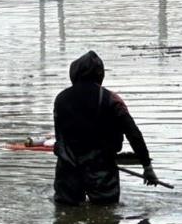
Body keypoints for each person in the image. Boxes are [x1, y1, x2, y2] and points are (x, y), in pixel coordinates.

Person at [53, 50, 158, 205]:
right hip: (101, 171)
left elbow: (59, 138)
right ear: (100, 74)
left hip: (68, 171)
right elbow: (133, 134)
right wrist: (147, 166)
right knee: (106, 216)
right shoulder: (112, 100)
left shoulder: (60, 99)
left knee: (66, 215)